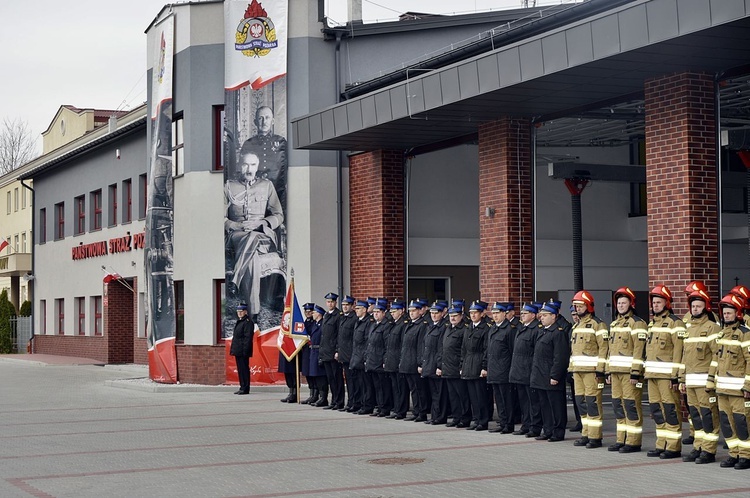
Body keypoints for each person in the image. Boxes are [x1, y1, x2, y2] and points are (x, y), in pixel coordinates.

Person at [225, 150, 284, 318]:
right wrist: (236, 224)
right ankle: (254, 314)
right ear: (239, 166)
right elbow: (220, 217)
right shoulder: (229, 186)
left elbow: (279, 215)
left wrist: (262, 223)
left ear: (257, 166)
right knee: (252, 257)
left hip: (262, 235)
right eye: (245, 164)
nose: (249, 169)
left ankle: (236, 279)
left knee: (252, 238)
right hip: (237, 235)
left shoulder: (266, 186)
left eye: (253, 165)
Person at [707, 294, 750, 469]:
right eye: (724, 313)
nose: (726, 316)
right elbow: (716, 360)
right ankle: (734, 453)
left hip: (739, 391)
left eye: (730, 313)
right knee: (726, 423)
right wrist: (711, 381)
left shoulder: (745, 334)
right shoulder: (722, 334)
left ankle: (746, 456)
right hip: (722, 389)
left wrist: (748, 386)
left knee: (742, 423)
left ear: (738, 313)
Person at [679, 289, 721, 464]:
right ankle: (698, 447)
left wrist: (711, 380)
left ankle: (709, 451)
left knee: (708, 415)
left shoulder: (712, 328)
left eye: (698, 306)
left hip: (705, 382)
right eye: (693, 306)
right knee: (695, 416)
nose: (695, 309)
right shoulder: (688, 328)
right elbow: (683, 356)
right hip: (690, 382)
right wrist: (682, 378)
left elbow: (717, 357)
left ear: (706, 307)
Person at [644, 285, 685, 459]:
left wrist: (675, 376)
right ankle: (661, 445)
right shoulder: (652, 324)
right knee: (657, 411)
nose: (655, 306)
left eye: (659, 302)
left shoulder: (676, 323)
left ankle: (673, 447)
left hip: (667, 377)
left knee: (670, 410)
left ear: (667, 303)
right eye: (654, 303)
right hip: (652, 376)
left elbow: (679, 352)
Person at [606, 287, 647, 453]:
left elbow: (639, 350)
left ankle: (633, 441)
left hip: (630, 375)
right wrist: (608, 371)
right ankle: (620, 439)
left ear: (631, 304)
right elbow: (610, 350)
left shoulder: (637, 323)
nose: (621, 305)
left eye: (624, 302)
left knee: (631, 406)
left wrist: (635, 373)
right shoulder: (615, 324)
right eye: (619, 303)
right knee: (618, 405)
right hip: (615, 373)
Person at [569, 290, 609, 449]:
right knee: (581, 404)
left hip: (592, 373)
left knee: (593, 404)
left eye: (580, 306)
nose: (577, 309)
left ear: (589, 306)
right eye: (576, 306)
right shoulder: (577, 326)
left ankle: (595, 437)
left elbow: (604, 349)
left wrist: (601, 370)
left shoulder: (598, 325)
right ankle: (585, 433)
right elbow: (574, 351)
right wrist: (571, 369)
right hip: (578, 372)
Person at [531, 303, 571, 442]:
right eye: (541, 315)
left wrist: (555, 375)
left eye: (545, 315)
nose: (542, 318)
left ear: (554, 316)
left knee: (556, 406)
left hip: (551, 376)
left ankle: (558, 432)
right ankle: (548, 430)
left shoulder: (558, 333)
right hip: (540, 375)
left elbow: (560, 357)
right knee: (545, 405)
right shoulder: (542, 331)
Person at [240, 106, 287, 206]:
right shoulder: (248, 144)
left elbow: (287, 168)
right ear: (255, 122)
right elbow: (242, 170)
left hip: (278, 190)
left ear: (272, 121)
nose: (264, 121)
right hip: (255, 191)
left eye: (267, 118)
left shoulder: (281, 142)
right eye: (260, 118)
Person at [509, 303, 543, 437]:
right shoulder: (521, 328)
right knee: (523, 401)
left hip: (529, 370)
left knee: (533, 402)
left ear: (533, 315)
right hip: (519, 370)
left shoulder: (536, 329)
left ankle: (535, 427)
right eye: (521, 313)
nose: (522, 315)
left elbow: (535, 352)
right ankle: (526, 425)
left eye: (525, 313)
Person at [486, 302, 516, 433]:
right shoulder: (493, 328)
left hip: (504, 369)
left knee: (506, 399)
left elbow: (512, 351)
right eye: (494, 313)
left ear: (505, 313)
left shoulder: (509, 329)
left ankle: (508, 424)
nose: (495, 316)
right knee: (498, 399)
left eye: (498, 313)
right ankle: (502, 422)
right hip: (494, 369)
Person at [441, 306, 472, 428]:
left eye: (455, 316)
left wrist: (461, 366)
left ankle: (465, 418)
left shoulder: (464, 329)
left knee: (462, 395)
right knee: (453, 396)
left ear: (461, 316)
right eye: (450, 316)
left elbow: (464, 350)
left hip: (457, 367)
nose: (452, 318)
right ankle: (456, 417)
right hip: (448, 367)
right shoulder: (448, 328)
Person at [462, 301, 490, 431]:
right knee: (472, 396)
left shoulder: (485, 328)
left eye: (475, 313)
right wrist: (462, 365)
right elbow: (464, 349)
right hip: (469, 364)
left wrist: (484, 367)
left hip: (478, 364)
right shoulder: (469, 327)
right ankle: (476, 419)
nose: (473, 315)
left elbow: (486, 349)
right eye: (471, 313)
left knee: (481, 396)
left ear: (482, 314)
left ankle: (483, 421)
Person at [400, 300, 429, 422]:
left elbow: (420, 346)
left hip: (414, 363)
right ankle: (416, 411)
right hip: (407, 361)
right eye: (410, 311)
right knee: (413, 389)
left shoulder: (422, 325)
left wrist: (420, 363)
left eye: (414, 311)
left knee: (419, 389)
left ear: (420, 311)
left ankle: (422, 412)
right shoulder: (409, 324)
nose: (411, 313)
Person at [421, 301, 449, 425]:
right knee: (433, 393)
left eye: (436, 313)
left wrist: (439, 365)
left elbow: (441, 348)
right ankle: (434, 416)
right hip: (429, 364)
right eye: (431, 313)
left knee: (440, 394)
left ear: (442, 313)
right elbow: (425, 347)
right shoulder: (430, 326)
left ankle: (440, 416)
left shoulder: (444, 327)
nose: (433, 315)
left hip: (436, 365)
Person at [366, 301, 392, 417]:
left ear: (383, 313)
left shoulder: (386, 325)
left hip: (380, 360)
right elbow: (370, 343)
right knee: (377, 386)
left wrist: (384, 360)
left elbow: (387, 345)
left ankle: (385, 407)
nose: (375, 314)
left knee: (383, 386)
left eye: (378, 312)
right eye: (374, 312)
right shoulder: (374, 325)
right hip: (373, 359)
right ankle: (380, 407)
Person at [319, 292, 344, 409]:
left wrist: (337, 350)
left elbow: (339, 335)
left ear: (335, 302)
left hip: (333, 351)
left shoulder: (338, 315)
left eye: (332, 302)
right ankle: (333, 401)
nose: (330, 304)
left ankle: (339, 401)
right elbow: (324, 335)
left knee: (337, 378)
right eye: (328, 302)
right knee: (330, 379)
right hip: (326, 351)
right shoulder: (326, 315)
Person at [386, 300, 409, 419]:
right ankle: (396, 408)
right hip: (391, 359)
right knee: (395, 387)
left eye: (394, 311)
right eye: (391, 311)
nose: (392, 313)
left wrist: (400, 360)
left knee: (401, 388)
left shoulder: (403, 324)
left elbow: (402, 345)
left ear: (401, 311)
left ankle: (401, 410)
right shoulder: (393, 324)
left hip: (398, 360)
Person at [351, 300, 374, 414]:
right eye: (356, 308)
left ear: (365, 310)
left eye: (358, 308)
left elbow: (367, 342)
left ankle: (367, 405)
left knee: (366, 384)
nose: (356, 310)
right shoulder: (358, 322)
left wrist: (364, 357)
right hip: (356, 356)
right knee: (359, 383)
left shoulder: (368, 322)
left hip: (362, 357)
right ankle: (359, 404)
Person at [336, 295, 357, 412]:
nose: (344, 307)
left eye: (347, 305)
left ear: (352, 306)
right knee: (348, 381)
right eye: (343, 305)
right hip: (344, 354)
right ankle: (349, 403)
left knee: (353, 381)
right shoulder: (342, 318)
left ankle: (354, 403)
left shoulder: (354, 318)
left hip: (351, 355)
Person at [230, 302, 255, 395]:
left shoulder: (248, 322)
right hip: (238, 349)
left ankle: (245, 388)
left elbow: (247, 338)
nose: (239, 313)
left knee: (244, 369)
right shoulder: (240, 321)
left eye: (241, 311)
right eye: (238, 311)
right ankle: (242, 386)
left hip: (243, 350)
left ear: (245, 311)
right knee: (240, 369)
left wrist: (245, 350)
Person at [307, 305, 328, 407]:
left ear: (319, 314)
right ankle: (318, 396)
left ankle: (323, 397)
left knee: (321, 376)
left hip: (319, 350)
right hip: (313, 351)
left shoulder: (322, 324)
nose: (312, 314)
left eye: (314, 312)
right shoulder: (315, 324)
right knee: (315, 376)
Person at [300, 303, 317, 404]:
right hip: (306, 350)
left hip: (312, 349)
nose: (308, 313)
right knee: (307, 371)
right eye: (306, 312)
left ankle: (315, 394)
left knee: (313, 372)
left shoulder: (315, 323)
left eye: (310, 312)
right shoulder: (304, 322)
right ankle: (311, 393)